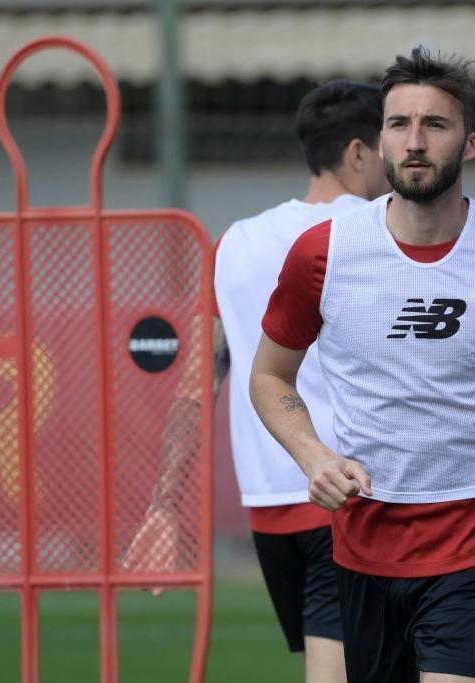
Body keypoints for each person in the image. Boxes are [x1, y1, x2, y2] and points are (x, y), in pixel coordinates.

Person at [249, 46, 475, 683]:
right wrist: (313, 456)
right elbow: (269, 375)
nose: (414, 142)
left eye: (436, 125)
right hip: (366, 539)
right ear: (380, 140)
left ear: (470, 143)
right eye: (399, 125)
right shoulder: (324, 253)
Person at [126, 79, 390, 683]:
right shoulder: (377, 230)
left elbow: (198, 383)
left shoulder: (233, 244)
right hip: (351, 493)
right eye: (389, 141)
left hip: (269, 508)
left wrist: (164, 506)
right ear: (357, 153)